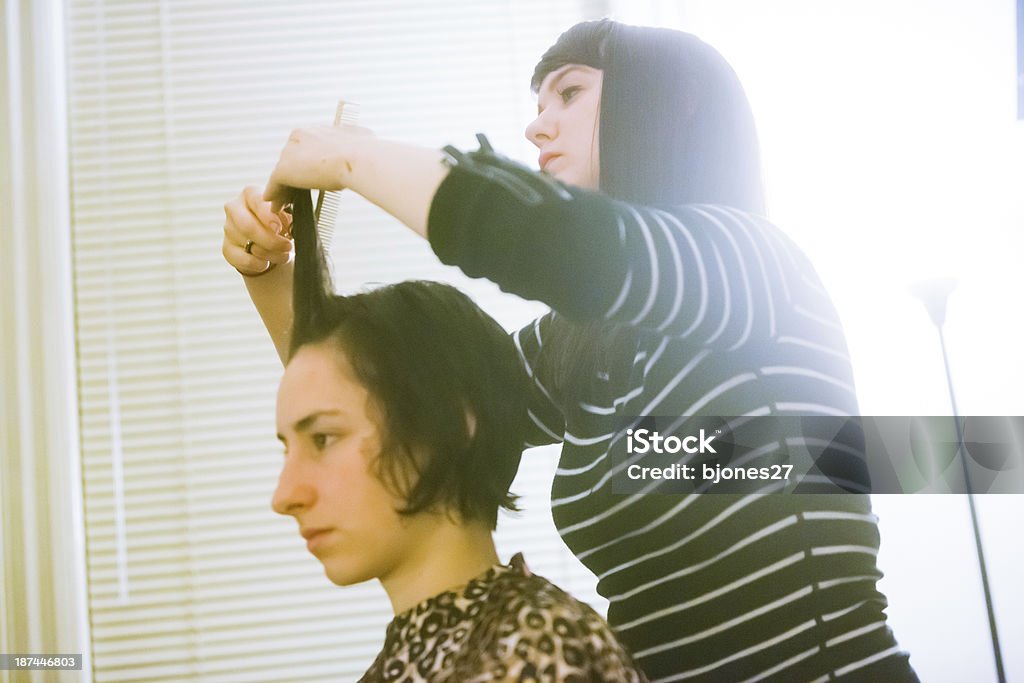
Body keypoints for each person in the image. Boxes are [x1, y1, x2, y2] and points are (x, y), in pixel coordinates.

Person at [225, 18, 918, 682]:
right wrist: (271, 271)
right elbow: (405, 397)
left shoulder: (755, 266)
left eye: (570, 91)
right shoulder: (579, 345)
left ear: (659, 104)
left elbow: (546, 239)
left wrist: (353, 157)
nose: (536, 123)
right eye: (537, 100)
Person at [270, 189, 647, 681]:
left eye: (322, 439)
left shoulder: (537, 650)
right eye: (287, 448)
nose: (284, 496)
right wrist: (267, 273)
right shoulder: (463, 651)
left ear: (449, 423)